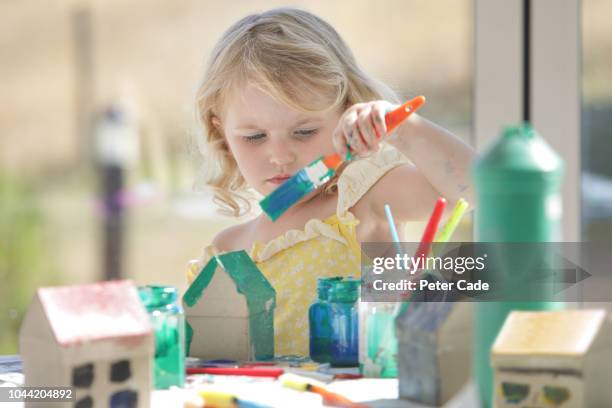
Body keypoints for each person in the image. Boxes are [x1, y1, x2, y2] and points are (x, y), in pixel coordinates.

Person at [188, 7, 475, 357]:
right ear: (221, 131)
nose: (280, 155)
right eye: (254, 137)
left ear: (346, 112)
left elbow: (480, 191)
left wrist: (404, 132)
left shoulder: (364, 198)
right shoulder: (228, 248)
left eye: (304, 132)